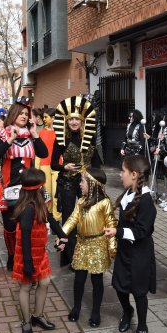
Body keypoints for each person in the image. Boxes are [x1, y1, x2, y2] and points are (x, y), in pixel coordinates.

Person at [0, 97, 48, 271]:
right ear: (13, 114)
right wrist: (9, 140)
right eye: (20, 113)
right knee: (10, 227)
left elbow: (43, 154)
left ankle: (26, 257)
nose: (23, 116)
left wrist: (35, 135)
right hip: (9, 188)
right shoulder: (3, 133)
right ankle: (12, 255)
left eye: (26, 114)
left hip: (28, 190)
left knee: (28, 225)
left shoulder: (31, 135)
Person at [104, 155, 156, 333]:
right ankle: (128, 311)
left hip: (140, 254)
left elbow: (142, 231)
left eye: (122, 171)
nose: (120, 174)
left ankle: (142, 326)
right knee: (119, 286)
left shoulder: (147, 201)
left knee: (139, 291)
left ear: (133, 175)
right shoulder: (127, 193)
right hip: (125, 249)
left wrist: (117, 231)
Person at [59, 167, 117, 327]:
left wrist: (112, 248)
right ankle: (76, 307)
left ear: (92, 184)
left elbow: (111, 224)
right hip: (82, 244)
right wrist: (62, 235)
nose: (80, 184)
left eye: (83, 181)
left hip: (98, 244)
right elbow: (72, 219)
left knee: (97, 279)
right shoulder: (81, 201)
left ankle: (96, 311)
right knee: (79, 278)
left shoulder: (104, 203)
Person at [51, 95, 100, 267]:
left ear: (82, 121)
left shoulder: (90, 137)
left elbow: (97, 161)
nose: (73, 122)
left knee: (88, 218)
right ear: (66, 121)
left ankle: (87, 254)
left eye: (76, 119)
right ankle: (70, 258)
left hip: (86, 183)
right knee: (69, 218)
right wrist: (65, 167)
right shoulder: (61, 139)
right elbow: (52, 164)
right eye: (70, 119)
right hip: (67, 183)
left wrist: (96, 179)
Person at [11, 168, 56, 333]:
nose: (45, 189)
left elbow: (49, 218)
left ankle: (37, 316)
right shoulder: (28, 210)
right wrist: (28, 263)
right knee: (26, 286)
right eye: (43, 186)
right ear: (38, 189)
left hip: (40, 253)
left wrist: (63, 234)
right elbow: (24, 238)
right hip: (27, 255)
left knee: (44, 282)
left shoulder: (39, 205)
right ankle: (26, 322)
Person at [37, 108, 62, 222]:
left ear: (53, 118)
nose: (44, 119)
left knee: (56, 194)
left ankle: (56, 218)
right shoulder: (41, 132)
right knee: (47, 194)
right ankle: (49, 216)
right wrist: (37, 168)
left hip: (57, 165)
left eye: (46, 117)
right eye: (44, 117)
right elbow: (38, 151)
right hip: (44, 165)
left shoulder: (61, 132)